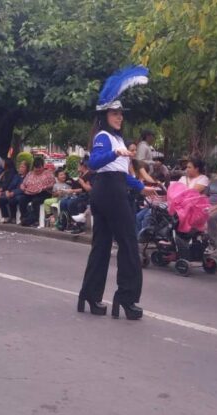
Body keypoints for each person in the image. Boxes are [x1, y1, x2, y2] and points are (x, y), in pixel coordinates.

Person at [78, 81, 156, 321]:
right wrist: (115, 153)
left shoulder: (118, 140)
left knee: (101, 245)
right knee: (129, 245)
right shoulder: (104, 136)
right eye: (114, 113)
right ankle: (127, 298)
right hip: (110, 193)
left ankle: (90, 296)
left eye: (121, 113)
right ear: (104, 116)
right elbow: (94, 163)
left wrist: (143, 187)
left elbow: (119, 174)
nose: (119, 117)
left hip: (108, 190)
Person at [17, 156, 55, 226]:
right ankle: (24, 217)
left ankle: (34, 220)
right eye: (36, 168)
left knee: (35, 201)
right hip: (29, 193)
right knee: (21, 199)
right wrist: (22, 187)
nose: (37, 170)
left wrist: (43, 188)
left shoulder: (48, 173)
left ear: (43, 166)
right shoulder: (30, 174)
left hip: (43, 193)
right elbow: (23, 183)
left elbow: (52, 184)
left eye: (39, 168)